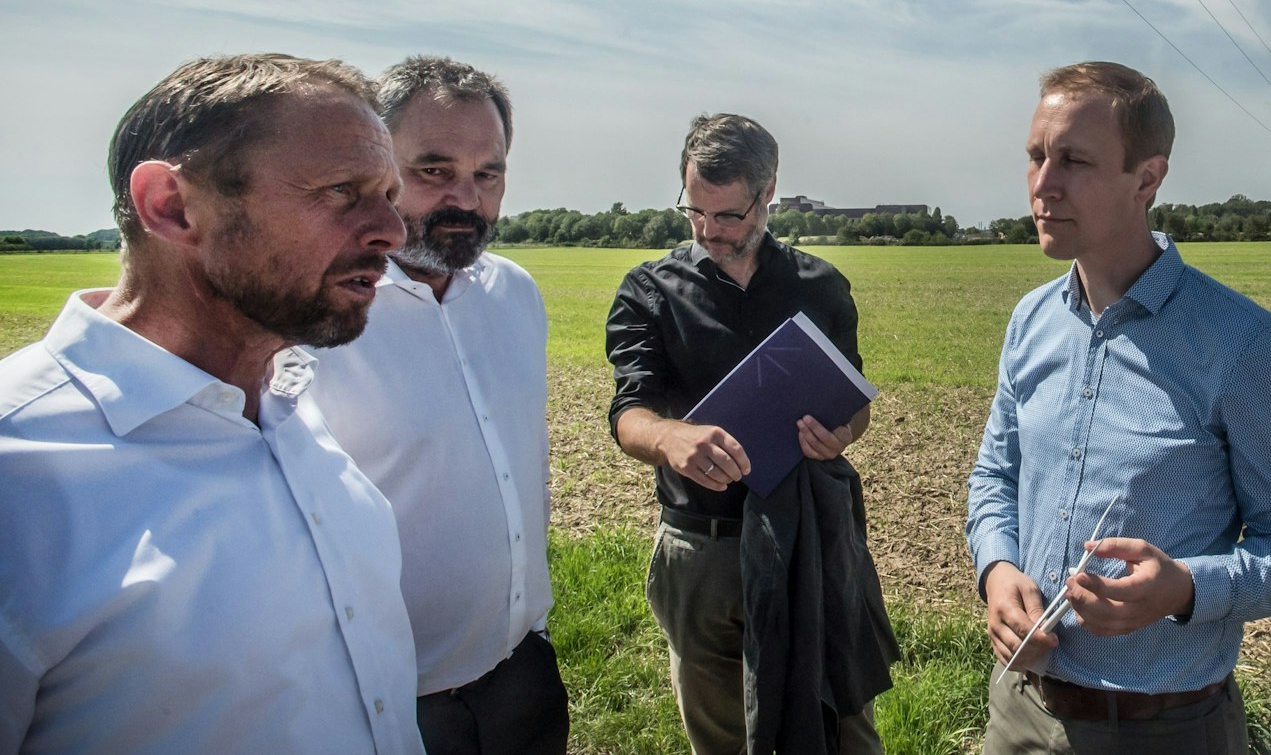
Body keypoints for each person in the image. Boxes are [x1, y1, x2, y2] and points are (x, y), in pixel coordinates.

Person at [0, 54, 422, 753]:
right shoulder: (19, 472)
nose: (393, 231)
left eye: (388, 195)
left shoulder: (288, 400)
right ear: (172, 205)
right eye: (342, 191)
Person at [967, 62, 1271, 755]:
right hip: (1018, 711)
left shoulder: (1241, 343)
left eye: (1074, 161)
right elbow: (994, 479)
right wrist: (997, 569)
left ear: (1148, 178)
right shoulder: (1031, 322)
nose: (1043, 184)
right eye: (1037, 156)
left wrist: (1185, 587)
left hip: (1167, 729)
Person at [605, 113, 892, 755]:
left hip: (811, 542)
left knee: (844, 725)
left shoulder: (821, 286)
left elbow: (855, 405)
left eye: (728, 215)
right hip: (702, 550)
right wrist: (671, 439)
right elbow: (629, 412)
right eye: (694, 211)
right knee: (722, 738)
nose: (709, 231)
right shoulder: (649, 291)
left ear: (769, 194)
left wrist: (841, 432)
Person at [307, 56, 567, 754]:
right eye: (434, 169)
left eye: (489, 173)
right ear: (376, 164)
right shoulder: (315, 317)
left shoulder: (516, 293)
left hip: (525, 669)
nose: (467, 199)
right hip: (390, 699)